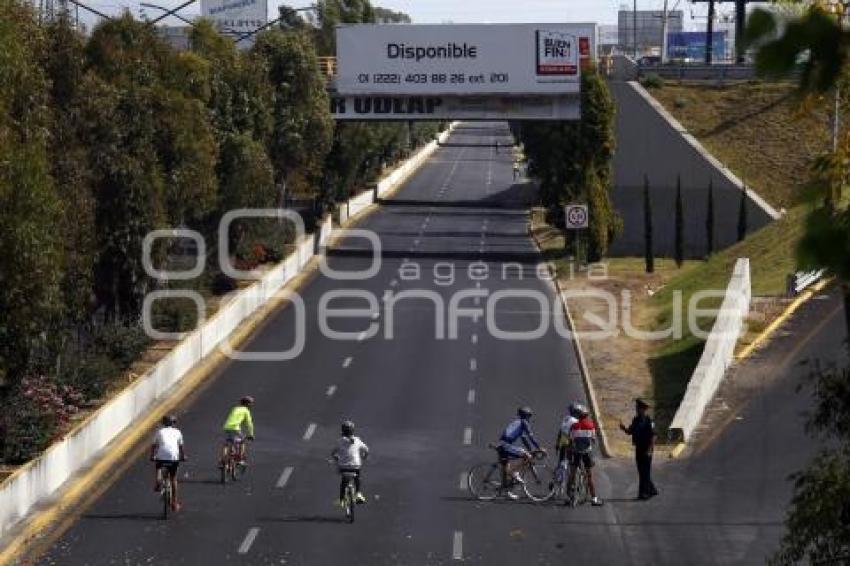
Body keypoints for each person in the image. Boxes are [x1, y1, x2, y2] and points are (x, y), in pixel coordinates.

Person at [498, 406, 544, 499]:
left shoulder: (518, 422)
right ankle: (514, 473)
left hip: (502, 444)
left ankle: (507, 491)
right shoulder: (524, 423)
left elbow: (525, 439)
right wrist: (539, 448)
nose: (530, 418)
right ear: (526, 416)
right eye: (529, 416)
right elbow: (531, 438)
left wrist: (530, 450)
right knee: (527, 457)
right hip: (506, 445)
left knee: (506, 468)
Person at [619, 398, 659, 500]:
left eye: (638, 408)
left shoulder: (650, 421)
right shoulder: (635, 420)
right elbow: (630, 431)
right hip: (639, 448)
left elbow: (654, 436)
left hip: (647, 448)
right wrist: (624, 428)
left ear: (643, 409)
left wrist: (650, 449)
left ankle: (644, 493)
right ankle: (651, 490)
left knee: (645, 471)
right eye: (637, 408)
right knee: (641, 471)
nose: (636, 410)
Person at [567, 403, 603, 506]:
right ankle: (594, 499)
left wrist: (569, 453)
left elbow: (571, 441)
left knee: (572, 474)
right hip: (587, 453)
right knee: (589, 476)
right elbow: (593, 440)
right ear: (586, 416)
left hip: (576, 453)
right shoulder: (591, 426)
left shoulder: (574, 426)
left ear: (578, 416)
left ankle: (569, 496)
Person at [151, 414, 186, 512]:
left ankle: (158, 480)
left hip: (161, 456)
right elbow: (181, 446)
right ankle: (174, 503)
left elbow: (154, 445)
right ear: (173, 423)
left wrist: (152, 455)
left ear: (163, 423)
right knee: (173, 479)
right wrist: (183, 456)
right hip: (173, 457)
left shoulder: (159, 432)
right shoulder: (177, 432)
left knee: (158, 465)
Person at [331, 420, 369, 506]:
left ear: (342, 431)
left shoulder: (339, 441)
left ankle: (341, 500)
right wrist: (364, 457)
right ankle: (358, 493)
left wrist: (336, 458)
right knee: (357, 477)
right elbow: (366, 450)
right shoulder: (357, 440)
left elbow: (333, 453)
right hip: (355, 466)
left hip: (343, 466)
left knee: (344, 481)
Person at [221, 396, 255, 466]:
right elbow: (249, 423)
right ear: (247, 404)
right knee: (242, 441)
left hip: (226, 427)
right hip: (235, 428)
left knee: (227, 442)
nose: (251, 405)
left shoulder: (235, 408)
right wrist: (251, 434)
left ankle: (223, 458)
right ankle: (240, 460)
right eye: (251, 403)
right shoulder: (246, 411)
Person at [554, 403, 581, 481]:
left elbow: (560, 431)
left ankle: (557, 478)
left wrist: (557, 443)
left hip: (563, 441)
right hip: (571, 443)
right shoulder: (576, 421)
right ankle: (572, 481)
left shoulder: (566, 418)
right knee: (574, 461)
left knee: (561, 460)